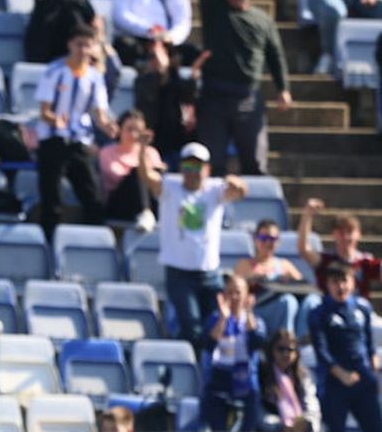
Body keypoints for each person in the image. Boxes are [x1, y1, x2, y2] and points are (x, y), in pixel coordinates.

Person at [197, 0, 292, 177]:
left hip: (248, 99)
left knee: (255, 164)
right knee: (212, 163)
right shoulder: (215, 10)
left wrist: (283, 88)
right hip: (214, 96)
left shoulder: (263, 20)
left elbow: (275, 55)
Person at [139, 141, 248, 353]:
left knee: (216, 322)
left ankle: (208, 368)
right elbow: (146, 176)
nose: (193, 172)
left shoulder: (215, 190)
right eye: (188, 166)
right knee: (192, 327)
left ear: (207, 169)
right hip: (180, 273)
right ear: (181, 169)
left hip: (209, 273)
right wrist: (143, 148)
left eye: (198, 166)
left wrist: (236, 182)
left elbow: (242, 192)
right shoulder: (170, 187)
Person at [35, 27, 117, 239]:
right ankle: (50, 243)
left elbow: (99, 112)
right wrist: (56, 119)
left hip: (80, 141)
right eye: (79, 44)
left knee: (92, 196)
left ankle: (93, 242)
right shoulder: (54, 71)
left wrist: (106, 125)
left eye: (87, 45)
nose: (83, 49)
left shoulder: (94, 77)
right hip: (54, 140)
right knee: (52, 199)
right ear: (70, 45)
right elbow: (44, 111)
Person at [308, 258, 382, 432]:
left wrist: (373, 367)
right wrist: (340, 373)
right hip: (335, 383)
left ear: (353, 282)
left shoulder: (363, 308)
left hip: (362, 380)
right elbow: (321, 350)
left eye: (345, 281)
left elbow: (367, 342)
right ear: (328, 284)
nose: (341, 286)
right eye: (335, 282)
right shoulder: (319, 313)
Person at [202, 274, 267, 432]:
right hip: (219, 382)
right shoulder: (215, 319)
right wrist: (224, 319)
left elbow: (257, 342)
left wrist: (249, 314)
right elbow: (208, 345)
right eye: (230, 292)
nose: (234, 297)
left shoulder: (255, 322)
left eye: (238, 292)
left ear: (247, 296)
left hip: (246, 384)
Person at [257, 329, 324, 432]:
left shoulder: (303, 377)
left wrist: (306, 423)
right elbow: (258, 411)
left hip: (301, 431)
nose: (286, 354)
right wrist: (281, 426)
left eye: (290, 350)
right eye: (281, 349)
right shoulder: (261, 375)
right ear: (272, 350)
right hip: (272, 431)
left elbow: (312, 405)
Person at [297, 197, 382, 296]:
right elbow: (304, 249)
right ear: (334, 235)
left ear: (359, 234)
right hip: (329, 309)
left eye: (350, 232)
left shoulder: (365, 261)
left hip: (359, 309)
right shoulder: (326, 260)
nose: (346, 237)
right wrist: (308, 215)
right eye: (341, 232)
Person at [132, 38, 199, 162]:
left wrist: (193, 77)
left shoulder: (179, 83)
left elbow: (189, 97)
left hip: (178, 144)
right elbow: (147, 95)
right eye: (151, 56)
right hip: (153, 146)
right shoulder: (142, 82)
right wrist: (160, 70)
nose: (155, 60)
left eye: (159, 56)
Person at [235, 218, 303, 337]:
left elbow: (303, 287)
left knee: (289, 301)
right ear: (255, 240)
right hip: (255, 309)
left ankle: (288, 340)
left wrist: (288, 281)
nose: (268, 243)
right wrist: (253, 280)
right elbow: (234, 291)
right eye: (263, 238)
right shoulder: (244, 265)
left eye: (272, 239)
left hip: (279, 308)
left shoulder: (284, 265)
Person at [97, 110, 163, 224]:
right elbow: (115, 177)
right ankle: (145, 212)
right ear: (120, 129)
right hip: (120, 202)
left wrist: (142, 151)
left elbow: (157, 181)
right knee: (138, 173)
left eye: (138, 131)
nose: (133, 135)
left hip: (150, 199)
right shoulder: (107, 152)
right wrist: (142, 171)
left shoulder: (151, 153)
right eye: (129, 129)